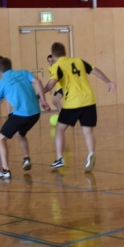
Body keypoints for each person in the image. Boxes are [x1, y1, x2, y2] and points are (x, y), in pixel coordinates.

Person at [43, 42, 117, 172]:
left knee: (60, 129)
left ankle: (59, 158)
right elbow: (95, 70)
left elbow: (52, 83)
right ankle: (91, 153)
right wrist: (108, 82)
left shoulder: (57, 65)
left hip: (73, 102)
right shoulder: (78, 61)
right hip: (89, 100)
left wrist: (41, 93)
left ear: (53, 56)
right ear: (65, 52)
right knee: (88, 131)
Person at [0, 58, 49, 179]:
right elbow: (38, 82)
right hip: (35, 113)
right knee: (20, 133)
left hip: (21, 114)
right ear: (10, 66)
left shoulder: (1, 84)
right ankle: (26, 158)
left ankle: (5, 170)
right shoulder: (23, 72)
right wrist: (43, 101)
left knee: (0, 139)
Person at [46, 54, 63, 124]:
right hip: (57, 88)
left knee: (56, 99)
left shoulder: (57, 66)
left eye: (52, 61)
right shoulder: (49, 68)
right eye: (49, 61)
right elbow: (52, 79)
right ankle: (61, 111)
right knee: (53, 101)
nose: (51, 62)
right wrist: (50, 88)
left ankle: (62, 116)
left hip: (62, 87)